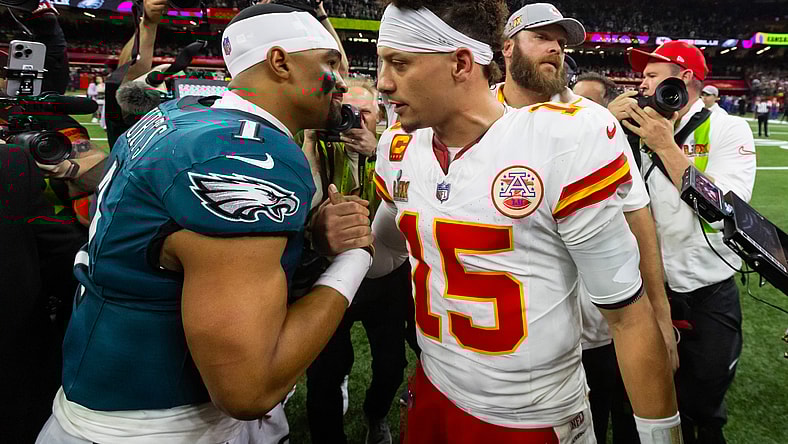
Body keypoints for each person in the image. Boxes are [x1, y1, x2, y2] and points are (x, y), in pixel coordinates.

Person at [36, 4, 374, 443]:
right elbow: (249, 388)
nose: (342, 80)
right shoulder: (242, 157)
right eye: (330, 62)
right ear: (280, 62)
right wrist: (354, 259)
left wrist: (309, 234)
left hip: (96, 399)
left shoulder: (183, 114)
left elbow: (167, 245)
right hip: (160, 426)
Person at [370, 1, 681, 443]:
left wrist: (661, 436)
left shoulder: (566, 140)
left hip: (530, 415)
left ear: (462, 62)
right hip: (434, 384)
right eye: (384, 63)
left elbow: (628, 319)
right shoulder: (398, 147)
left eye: (399, 63)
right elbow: (384, 248)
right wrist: (332, 247)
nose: (383, 82)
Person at [494, 5, 678, 442]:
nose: (556, 47)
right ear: (507, 48)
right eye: (541, 36)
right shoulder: (477, 119)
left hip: (600, 327)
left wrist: (660, 312)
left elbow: (638, 217)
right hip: (519, 345)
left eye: (561, 41)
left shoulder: (593, 122)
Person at [608, 40, 757, 444]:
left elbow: (728, 209)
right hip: (642, 291)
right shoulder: (627, 128)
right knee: (639, 403)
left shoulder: (727, 127)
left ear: (684, 77)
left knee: (703, 404)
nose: (642, 82)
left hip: (707, 291)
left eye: (652, 74)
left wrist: (664, 145)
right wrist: (603, 124)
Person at [303, 78, 409, 444]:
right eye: (346, 111)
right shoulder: (314, 145)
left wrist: (378, 151)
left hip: (386, 277)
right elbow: (303, 203)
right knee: (324, 371)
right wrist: (309, 144)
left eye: (364, 112)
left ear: (379, 114)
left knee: (392, 366)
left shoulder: (397, 148)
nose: (354, 119)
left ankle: (376, 414)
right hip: (328, 274)